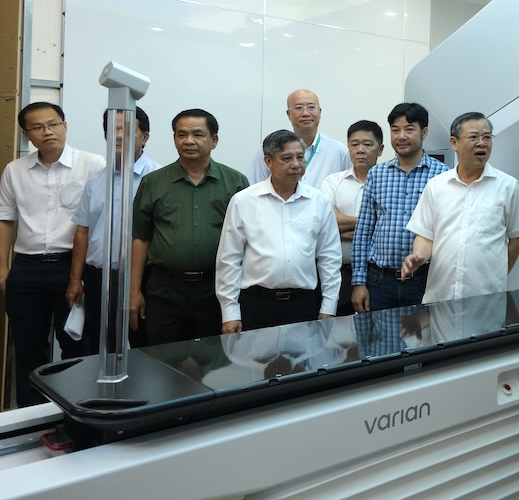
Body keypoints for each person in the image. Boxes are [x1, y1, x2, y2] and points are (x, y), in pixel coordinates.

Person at [0, 102, 105, 406]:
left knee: (76, 347)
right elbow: (6, 219)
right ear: (26, 134)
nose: (47, 132)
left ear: (65, 126)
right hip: (27, 269)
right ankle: (31, 420)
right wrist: (3, 269)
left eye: (53, 124)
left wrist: (82, 274)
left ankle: (76, 414)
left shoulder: (92, 164)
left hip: (73, 268)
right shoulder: (15, 170)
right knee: (28, 349)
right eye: (38, 127)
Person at [130, 108, 248, 346]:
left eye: (197, 134)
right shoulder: (153, 182)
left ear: (214, 140)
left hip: (216, 288)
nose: (188, 141)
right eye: (181, 134)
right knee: (160, 358)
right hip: (164, 289)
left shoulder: (236, 182)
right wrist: (134, 291)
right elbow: (141, 237)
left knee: (214, 359)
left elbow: (247, 241)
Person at [216, 130, 342, 333]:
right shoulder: (244, 201)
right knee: (257, 363)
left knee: (303, 365)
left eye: (300, 157)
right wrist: (230, 312)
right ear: (268, 161)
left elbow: (329, 258)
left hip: (303, 304)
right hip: (256, 303)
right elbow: (229, 260)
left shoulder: (319, 202)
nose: (296, 164)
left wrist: (329, 307)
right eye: (287, 158)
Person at [401, 112, 519, 301]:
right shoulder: (436, 186)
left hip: (486, 297)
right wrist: (418, 256)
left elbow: (517, 240)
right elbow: (425, 236)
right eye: (473, 137)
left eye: (487, 137)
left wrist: (496, 275)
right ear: (454, 143)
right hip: (441, 295)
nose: (482, 143)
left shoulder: (508, 186)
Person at [66, 106, 160, 354]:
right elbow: (83, 230)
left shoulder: (159, 178)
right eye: (112, 130)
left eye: (126, 130)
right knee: (99, 349)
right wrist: (76, 280)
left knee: (143, 349)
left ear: (145, 136)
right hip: (99, 278)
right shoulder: (96, 178)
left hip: (144, 280)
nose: (118, 136)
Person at [350, 103, 448, 312]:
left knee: (422, 342)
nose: (401, 136)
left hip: (424, 280)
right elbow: (363, 231)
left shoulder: (443, 176)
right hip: (379, 281)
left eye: (409, 129)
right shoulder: (377, 174)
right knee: (379, 343)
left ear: (424, 132)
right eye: (395, 130)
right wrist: (358, 282)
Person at [320, 120, 384, 317]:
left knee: (375, 332)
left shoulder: (389, 182)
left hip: (377, 274)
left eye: (367, 144)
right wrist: (372, 224)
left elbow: (396, 228)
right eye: (354, 144)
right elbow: (325, 222)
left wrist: (344, 229)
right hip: (339, 272)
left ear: (380, 149)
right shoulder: (333, 181)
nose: (360, 150)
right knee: (337, 336)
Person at [245, 89, 350, 187]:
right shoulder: (270, 148)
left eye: (311, 107)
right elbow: (253, 188)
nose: (305, 113)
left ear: (320, 112)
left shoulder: (339, 152)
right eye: (298, 108)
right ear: (288, 114)